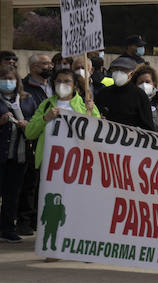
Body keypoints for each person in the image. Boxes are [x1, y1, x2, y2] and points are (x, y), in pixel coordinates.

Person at [25, 68, 101, 169]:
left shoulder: (86, 105)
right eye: (58, 81)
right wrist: (45, 118)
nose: (62, 84)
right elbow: (29, 133)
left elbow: (97, 133)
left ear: (75, 85)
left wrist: (91, 112)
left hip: (77, 164)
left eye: (67, 81)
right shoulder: (46, 105)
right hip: (48, 164)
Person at [0, 63, 38, 242]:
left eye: (11, 79)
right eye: (4, 79)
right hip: (2, 152)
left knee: (12, 194)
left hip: (20, 155)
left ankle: (7, 228)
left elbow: (36, 118)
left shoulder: (27, 99)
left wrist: (27, 124)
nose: (8, 82)